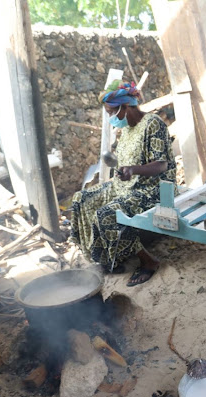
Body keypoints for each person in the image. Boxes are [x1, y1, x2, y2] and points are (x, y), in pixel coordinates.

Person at [69, 80, 176, 286]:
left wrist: (133, 170)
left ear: (126, 106)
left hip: (154, 189)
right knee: (80, 199)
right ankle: (108, 256)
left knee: (106, 214)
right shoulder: (126, 129)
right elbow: (126, 163)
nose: (110, 117)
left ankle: (148, 262)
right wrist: (123, 171)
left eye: (112, 111)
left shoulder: (153, 124)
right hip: (128, 185)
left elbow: (162, 165)